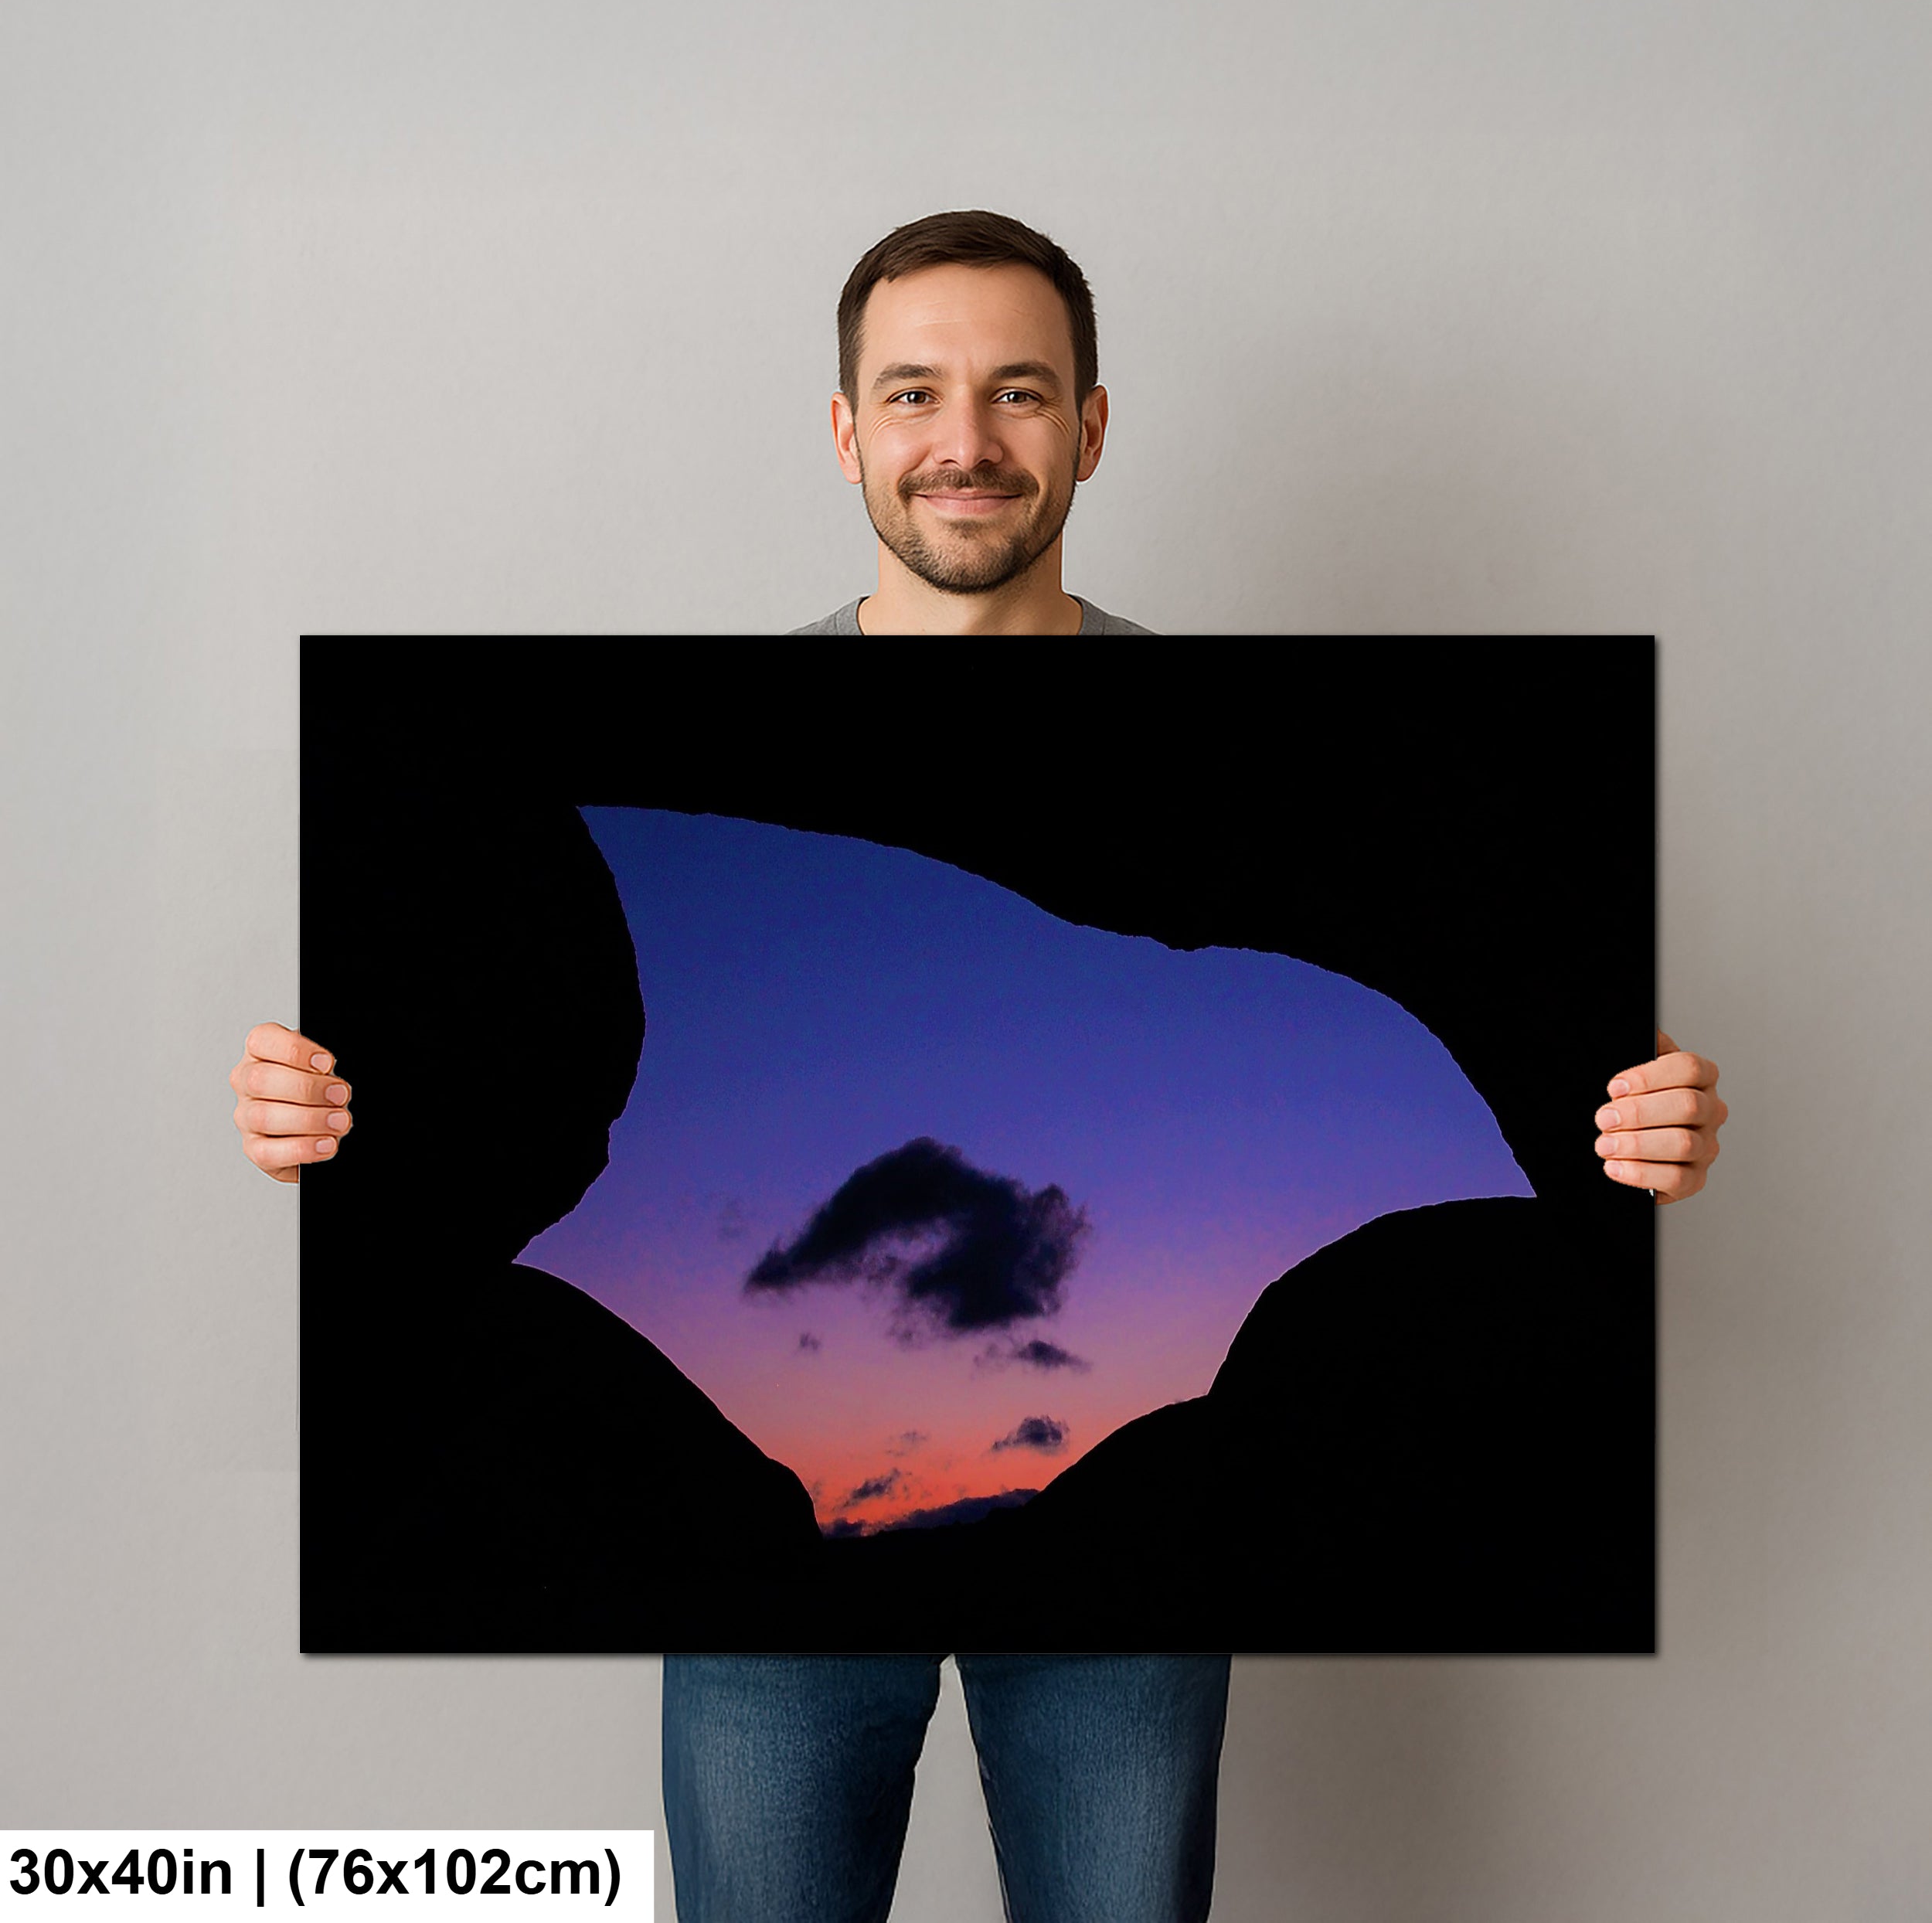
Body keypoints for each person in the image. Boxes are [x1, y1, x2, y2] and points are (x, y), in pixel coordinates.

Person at [231, 210, 1729, 1922]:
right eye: (914, 392)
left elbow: (1490, 1030)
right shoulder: (699, 738)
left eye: (1018, 391)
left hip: (1124, 1567)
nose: (965, 439)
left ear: (1089, 427)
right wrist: (334, 1114)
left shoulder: (1250, 759)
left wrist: (1626, 1124)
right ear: (844, 430)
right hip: (764, 1569)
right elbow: (487, 1050)